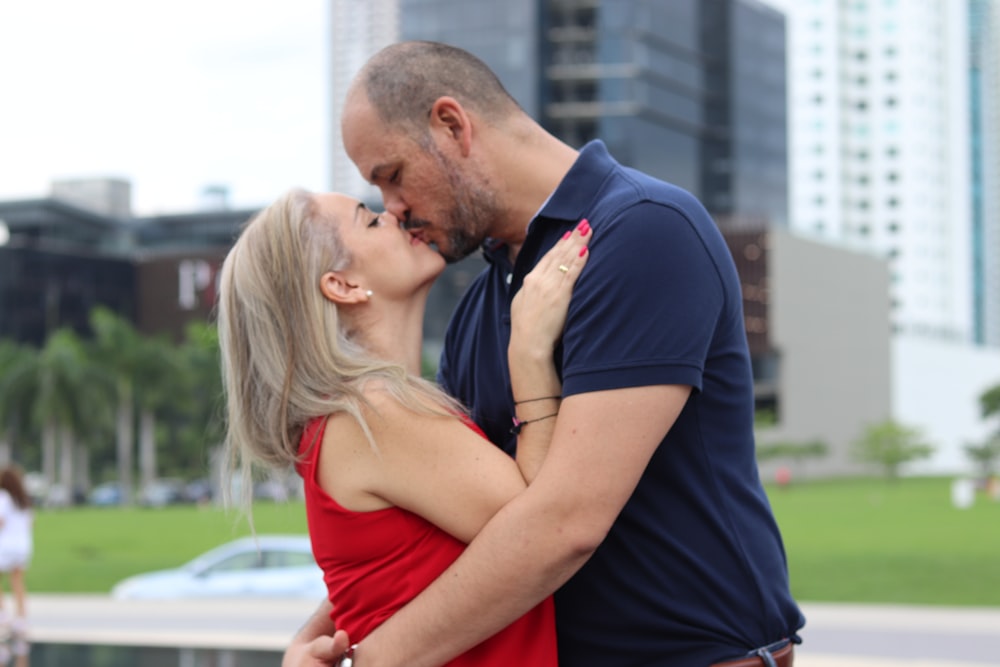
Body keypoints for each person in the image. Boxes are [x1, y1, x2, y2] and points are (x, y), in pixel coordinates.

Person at [284, 41, 805, 667]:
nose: (394, 211)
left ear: (452, 126)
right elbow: (438, 514)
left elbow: (565, 521)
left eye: (391, 177)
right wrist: (319, 637)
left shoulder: (642, 233)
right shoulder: (480, 306)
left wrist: (373, 660)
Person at [217, 187, 591, 665]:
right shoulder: (374, 411)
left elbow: (391, 569)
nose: (394, 215)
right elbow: (543, 529)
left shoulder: (354, 415)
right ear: (343, 286)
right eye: (370, 221)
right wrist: (531, 350)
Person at [0, 465, 33, 646]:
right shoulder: (24, 501)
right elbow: (29, 524)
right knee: (18, 582)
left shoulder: (3, 498)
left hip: (4, 545)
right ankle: (21, 619)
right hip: (23, 546)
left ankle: (2, 615)